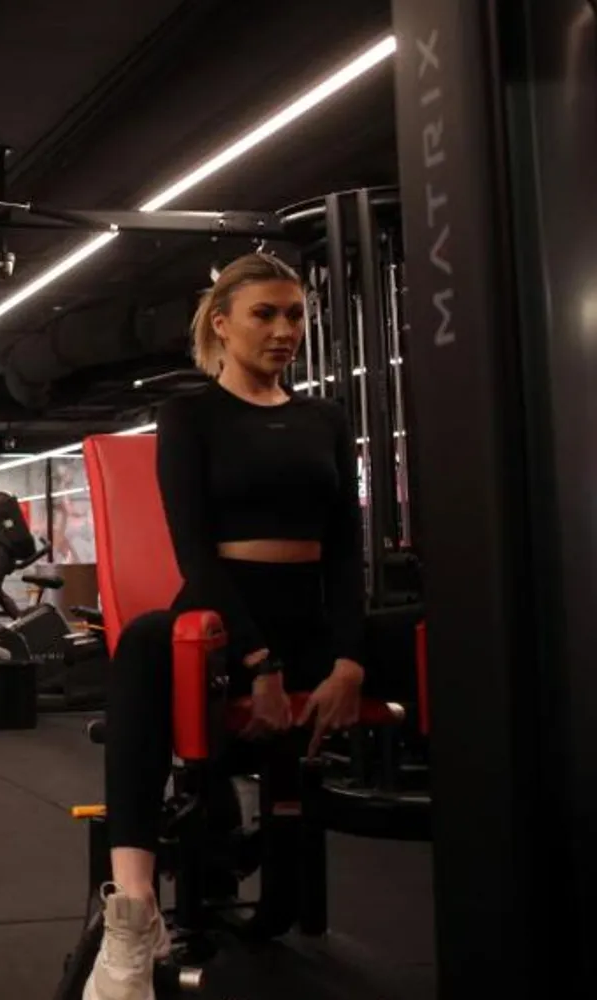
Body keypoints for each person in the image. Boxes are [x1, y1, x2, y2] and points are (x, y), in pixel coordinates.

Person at [85, 253, 368, 1000]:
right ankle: (133, 915)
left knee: (452, 620)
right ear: (222, 324)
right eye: (264, 314)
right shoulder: (189, 415)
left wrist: (349, 660)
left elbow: (346, 553)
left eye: (295, 315)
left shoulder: (326, 418)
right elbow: (194, 554)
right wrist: (260, 661)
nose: (285, 330)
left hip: (308, 614)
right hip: (221, 615)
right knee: (145, 641)